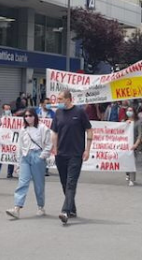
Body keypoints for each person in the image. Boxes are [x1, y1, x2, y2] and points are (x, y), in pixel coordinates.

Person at [50, 90, 92, 225]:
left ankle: (65, 211)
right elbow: (54, 132)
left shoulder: (79, 112)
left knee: (71, 182)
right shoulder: (58, 113)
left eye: (61, 99)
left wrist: (87, 149)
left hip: (75, 153)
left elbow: (89, 130)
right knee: (64, 182)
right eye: (58, 99)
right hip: (61, 153)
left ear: (69, 99)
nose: (59, 101)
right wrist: (54, 148)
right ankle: (72, 208)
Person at [6, 109, 52, 219]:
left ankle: (41, 206)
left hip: (37, 155)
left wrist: (42, 155)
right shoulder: (23, 129)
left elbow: (49, 144)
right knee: (22, 181)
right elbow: (20, 145)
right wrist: (18, 161)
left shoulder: (42, 128)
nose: (28, 117)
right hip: (25, 156)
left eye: (30, 115)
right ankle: (17, 207)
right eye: (25, 116)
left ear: (35, 116)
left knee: (39, 184)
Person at [0, 104, 16, 179]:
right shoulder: (0, 118)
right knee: (0, 154)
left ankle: (9, 173)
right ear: (3, 109)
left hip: (11, 139)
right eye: (6, 109)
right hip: (2, 139)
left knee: (11, 156)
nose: (8, 110)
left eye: (9, 108)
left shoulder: (14, 118)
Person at [125, 107, 142, 186]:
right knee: (126, 161)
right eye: (128, 110)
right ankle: (128, 173)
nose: (129, 112)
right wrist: (125, 124)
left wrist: (136, 144)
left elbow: (140, 134)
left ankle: (132, 179)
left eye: (131, 110)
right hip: (125, 145)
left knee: (132, 161)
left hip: (134, 145)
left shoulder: (138, 122)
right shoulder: (124, 121)